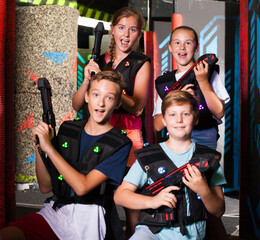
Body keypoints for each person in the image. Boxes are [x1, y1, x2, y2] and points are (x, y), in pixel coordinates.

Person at [0, 71, 132, 240]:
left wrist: (50, 150)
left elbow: (82, 187)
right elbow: (46, 186)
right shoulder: (69, 129)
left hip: (90, 220)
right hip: (56, 212)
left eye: (109, 97)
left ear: (118, 103)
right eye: (96, 94)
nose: (101, 103)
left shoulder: (119, 144)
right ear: (86, 96)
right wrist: (40, 146)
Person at [72, 8, 151, 237]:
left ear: (138, 34)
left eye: (133, 29)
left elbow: (137, 106)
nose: (126, 34)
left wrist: (109, 84)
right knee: (95, 195)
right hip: (97, 133)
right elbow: (78, 104)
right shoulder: (97, 60)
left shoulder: (140, 62)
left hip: (128, 135)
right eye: (122, 27)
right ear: (112, 30)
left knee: (130, 199)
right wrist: (89, 79)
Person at [114, 90, 225, 240]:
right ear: (164, 120)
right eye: (172, 115)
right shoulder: (148, 157)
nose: (179, 120)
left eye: (185, 114)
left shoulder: (208, 158)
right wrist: (152, 201)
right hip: (153, 232)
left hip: (192, 234)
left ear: (196, 119)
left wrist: (204, 190)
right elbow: (120, 196)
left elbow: (218, 211)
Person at [153, 26, 230, 239]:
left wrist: (203, 82)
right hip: (176, 145)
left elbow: (219, 111)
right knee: (180, 200)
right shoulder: (166, 83)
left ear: (196, 47)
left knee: (208, 201)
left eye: (188, 43)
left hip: (204, 144)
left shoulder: (208, 72)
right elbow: (158, 125)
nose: (182, 47)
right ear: (169, 47)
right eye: (177, 42)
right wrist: (175, 97)